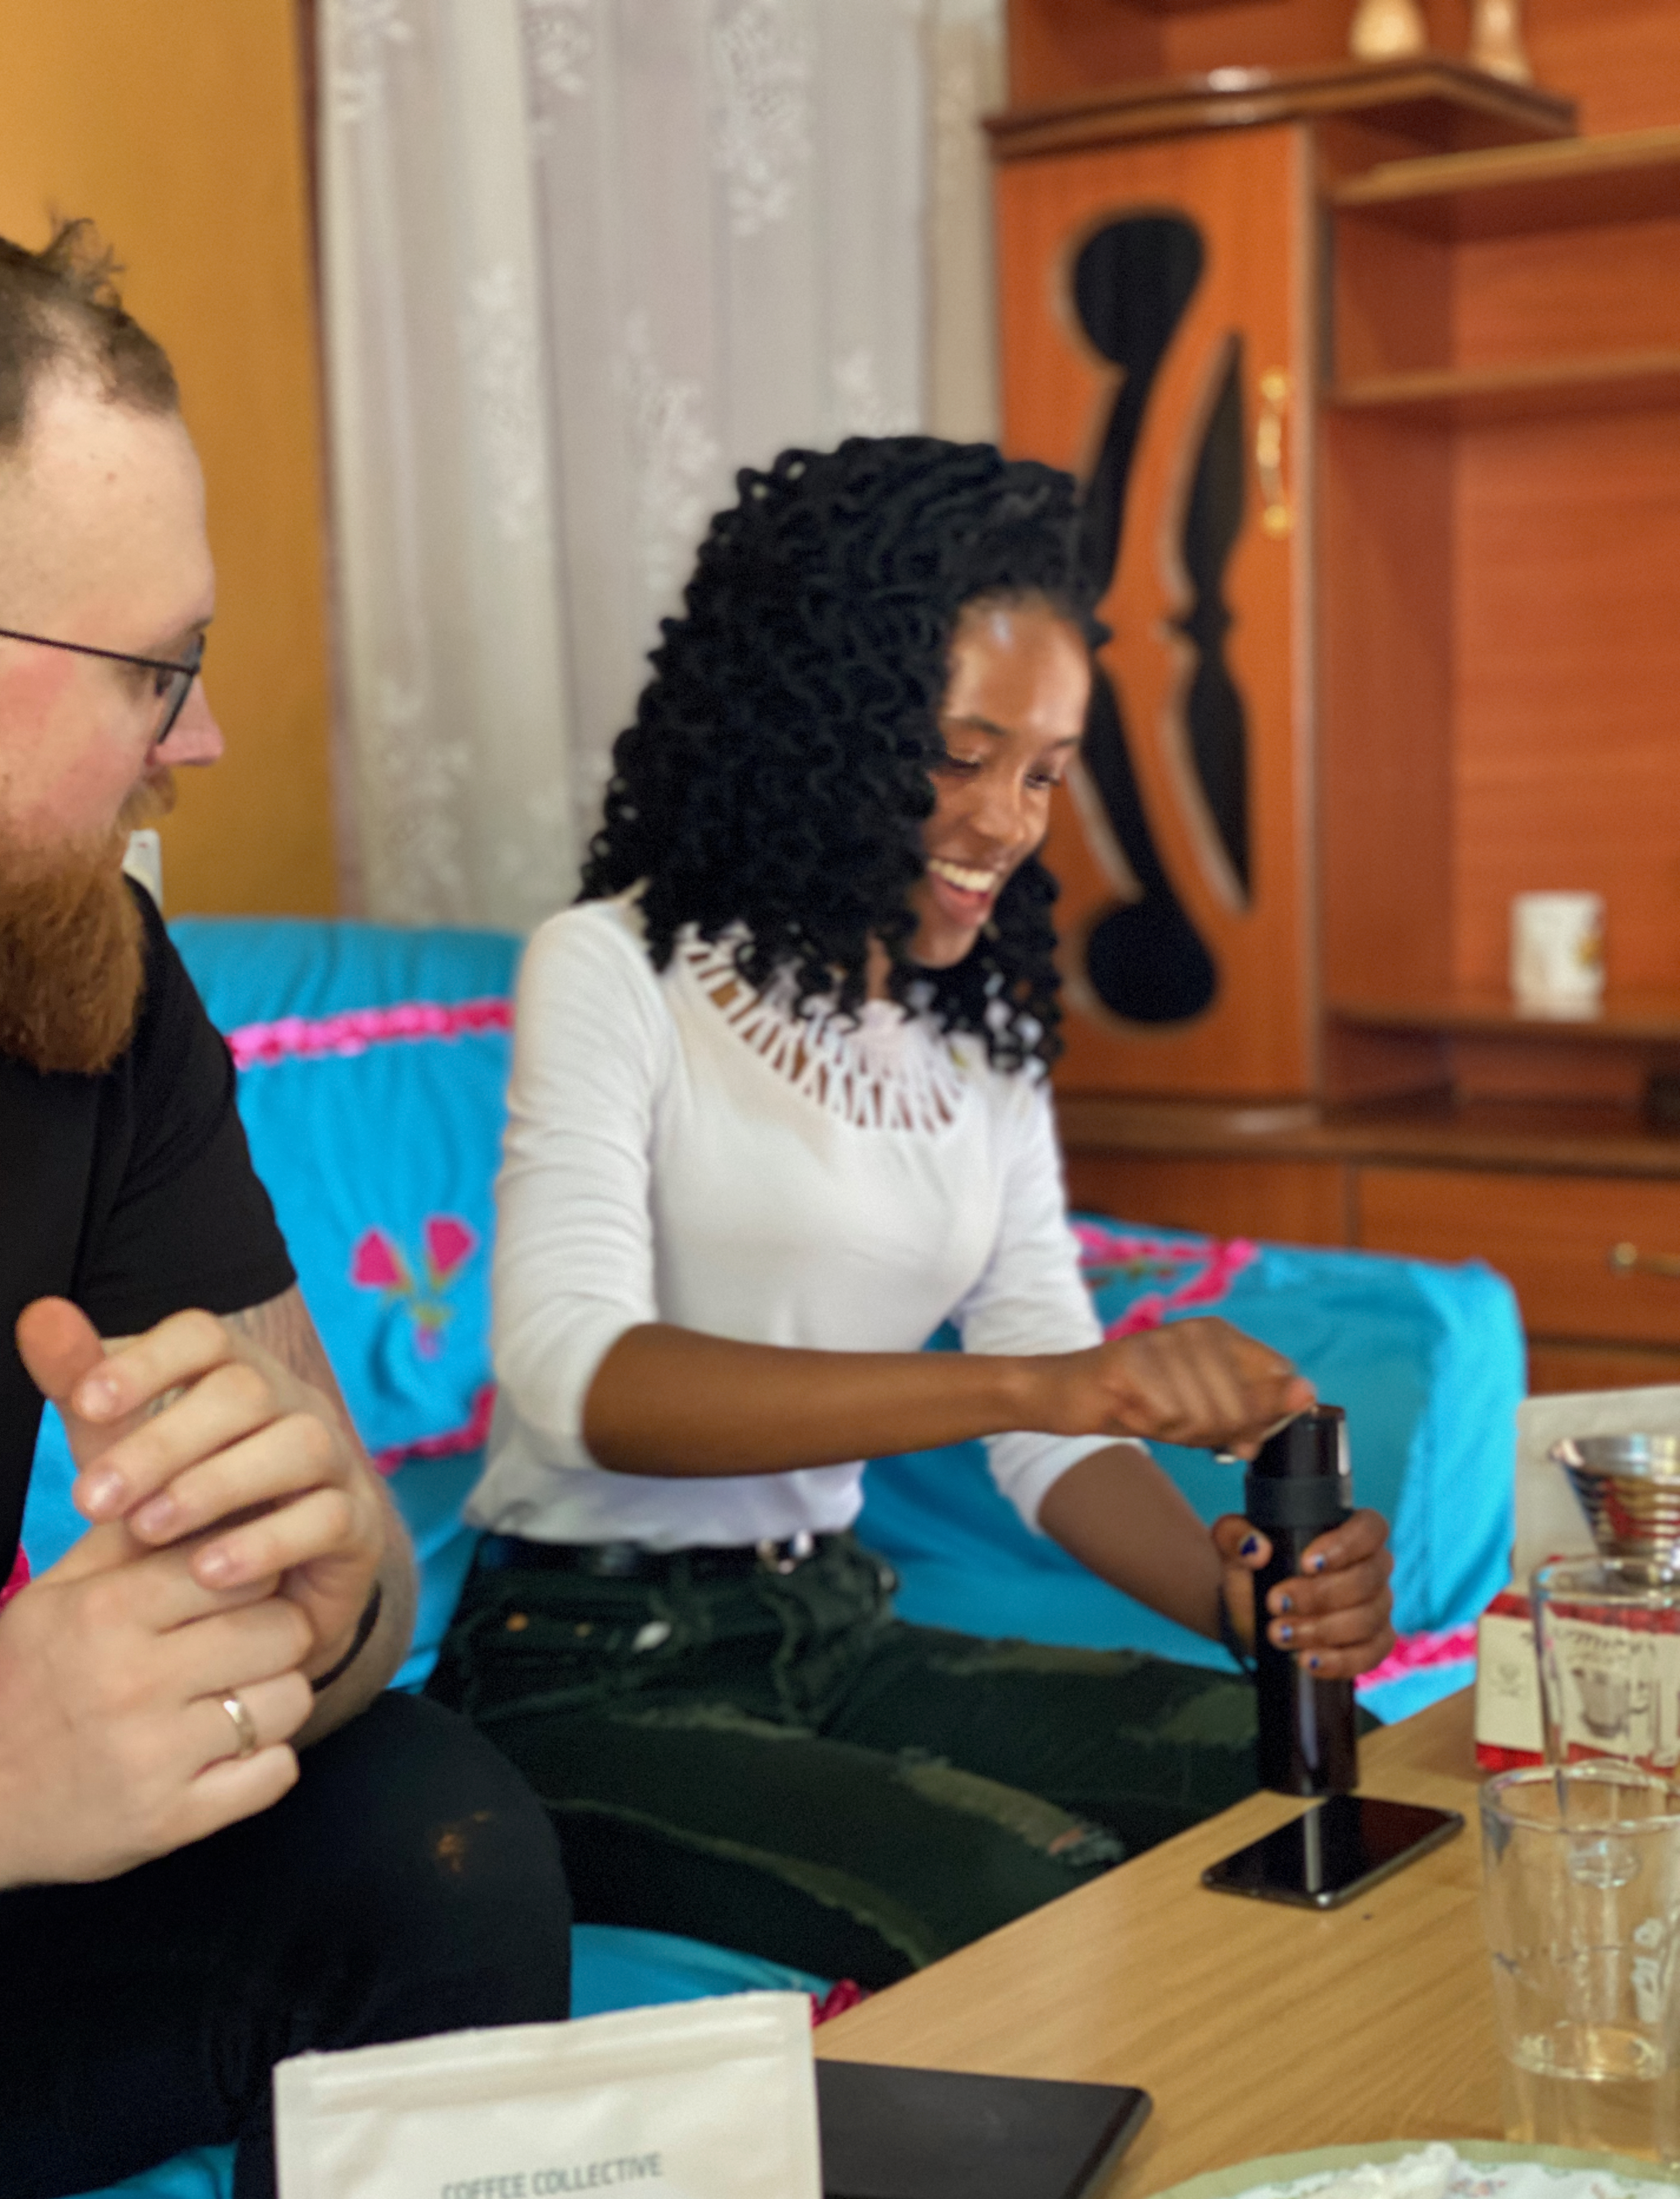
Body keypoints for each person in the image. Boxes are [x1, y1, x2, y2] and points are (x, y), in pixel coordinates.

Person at [427, 436, 1394, 1989]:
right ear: (820, 720)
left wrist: (1252, 1605)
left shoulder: (979, 1041)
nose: (1005, 822)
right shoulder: (611, 972)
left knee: (1341, 1775)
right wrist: (1043, 1382)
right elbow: (576, 1377)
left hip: (838, 1629)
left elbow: (1050, 1431)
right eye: (961, 751)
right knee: (1047, 1899)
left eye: (1046, 773)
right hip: (588, 1674)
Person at [0, 219, 569, 2199]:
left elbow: (353, 1599)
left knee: (426, 1840)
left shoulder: (83, 979)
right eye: (151, 669)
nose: (198, 744)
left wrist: (309, 1578)